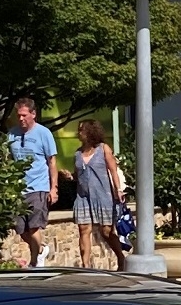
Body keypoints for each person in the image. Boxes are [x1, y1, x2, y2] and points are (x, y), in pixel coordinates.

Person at [7, 98, 60, 268]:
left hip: (38, 186)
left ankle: (35, 260)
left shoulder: (44, 133)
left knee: (34, 227)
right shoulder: (12, 134)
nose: (21, 119)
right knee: (21, 229)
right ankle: (41, 248)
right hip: (18, 189)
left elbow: (52, 162)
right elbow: (8, 159)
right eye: (19, 115)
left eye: (24, 115)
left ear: (33, 114)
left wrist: (53, 189)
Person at [69, 119, 125, 270]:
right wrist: (70, 176)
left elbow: (113, 170)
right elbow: (78, 174)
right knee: (83, 229)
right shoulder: (78, 153)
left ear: (90, 132)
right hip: (83, 197)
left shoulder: (103, 149)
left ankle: (120, 256)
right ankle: (85, 265)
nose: (78, 133)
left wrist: (118, 190)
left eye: (81, 130)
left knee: (106, 231)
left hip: (103, 195)